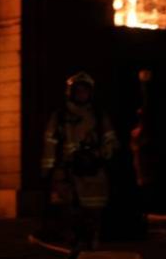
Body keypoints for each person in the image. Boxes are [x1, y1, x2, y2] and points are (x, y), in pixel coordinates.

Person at [40, 72, 118, 256]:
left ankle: (91, 243)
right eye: (78, 91)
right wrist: (47, 170)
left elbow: (111, 141)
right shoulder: (59, 116)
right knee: (68, 213)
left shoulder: (99, 116)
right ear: (70, 92)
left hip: (93, 172)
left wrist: (98, 154)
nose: (82, 94)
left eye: (85, 91)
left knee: (93, 211)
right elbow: (49, 144)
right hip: (66, 172)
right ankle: (74, 245)